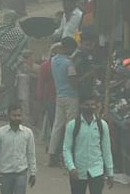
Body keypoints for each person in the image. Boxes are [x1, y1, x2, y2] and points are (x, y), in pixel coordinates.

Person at [63, 93, 114, 194]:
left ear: (96, 106)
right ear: (81, 106)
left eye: (92, 105)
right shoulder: (73, 125)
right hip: (78, 171)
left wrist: (110, 173)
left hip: (97, 171)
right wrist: (71, 167)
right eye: (87, 105)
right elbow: (66, 148)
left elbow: (106, 150)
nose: (90, 107)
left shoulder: (102, 125)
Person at [0, 103, 38, 194]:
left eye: (19, 115)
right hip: (5, 174)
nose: (16, 118)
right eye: (14, 115)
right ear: (9, 116)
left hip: (21, 173)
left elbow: (31, 154)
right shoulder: (0, 133)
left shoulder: (28, 133)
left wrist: (33, 173)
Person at [47, 37, 80, 166]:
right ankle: (67, 157)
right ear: (68, 48)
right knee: (70, 127)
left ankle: (51, 154)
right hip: (71, 97)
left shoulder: (54, 60)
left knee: (57, 126)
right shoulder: (69, 64)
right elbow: (73, 82)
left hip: (59, 95)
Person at [0, 10, 28, 117]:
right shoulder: (19, 33)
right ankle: (4, 111)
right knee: (8, 87)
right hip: (10, 64)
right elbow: (22, 49)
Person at [36, 44, 58, 144]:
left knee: (52, 121)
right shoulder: (47, 66)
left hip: (50, 97)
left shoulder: (45, 65)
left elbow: (40, 84)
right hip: (54, 97)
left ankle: (51, 143)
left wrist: (40, 98)